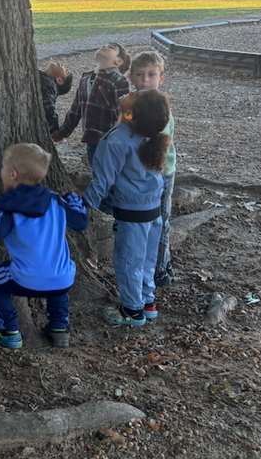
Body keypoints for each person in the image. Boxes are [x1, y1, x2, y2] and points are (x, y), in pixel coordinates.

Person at [0, 143, 86, 349]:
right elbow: (80, 221)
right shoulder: (56, 201)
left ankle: (9, 331)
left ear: (13, 174)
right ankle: (59, 328)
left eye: (3, 168)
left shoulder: (10, 206)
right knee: (57, 278)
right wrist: (74, 199)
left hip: (26, 278)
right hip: (62, 278)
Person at [82, 89, 170, 326]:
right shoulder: (148, 134)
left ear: (129, 114)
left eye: (136, 94)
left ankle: (132, 311)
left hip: (132, 213)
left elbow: (103, 180)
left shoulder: (115, 140)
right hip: (153, 210)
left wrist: (83, 204)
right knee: (147, 259)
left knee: (129, 261)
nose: (131, 90)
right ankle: (147, 302)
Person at [128, 51, 177, 289]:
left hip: (162, 170)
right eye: (140, 74)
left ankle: (161, 268)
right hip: (140, 174)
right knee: (146, 219)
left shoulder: (160, 107)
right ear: (131, 77)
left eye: (151, 74)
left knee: (161, 219)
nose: (145, 80)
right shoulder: (131, 102)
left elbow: (157, 141)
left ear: (162, 78)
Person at [51, 42, 130, 168]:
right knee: (97, 173)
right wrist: (63, 132)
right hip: (91, 140)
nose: (104, 46)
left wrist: (125, 140)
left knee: (112, 175)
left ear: (118, 61)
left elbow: (125, 112)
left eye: (111, 47)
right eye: (104, 45)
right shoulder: (85, 78)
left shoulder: (119, 80)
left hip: (111, 142)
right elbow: (76, 109)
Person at [39, 61, 73, 134]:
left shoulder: (49, 85)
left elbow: (49, 108)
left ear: (59, 80)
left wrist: (54, 128)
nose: (63, 64)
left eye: (66, 70)